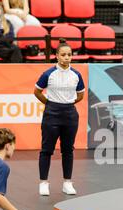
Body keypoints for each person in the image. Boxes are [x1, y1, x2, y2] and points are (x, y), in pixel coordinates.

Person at [34, 39, 85, 196]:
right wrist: (50, 104)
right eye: (63, 55)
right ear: (56, 56)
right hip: (51, 114)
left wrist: (67, 103)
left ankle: (67, 183)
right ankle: (43, 183)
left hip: (70, 114)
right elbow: (37, 92)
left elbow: (80, 95)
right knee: (46, 150)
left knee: (68, 150)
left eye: (69, 55)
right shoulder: (48, 74)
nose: (66, 57)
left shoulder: (76, 75)